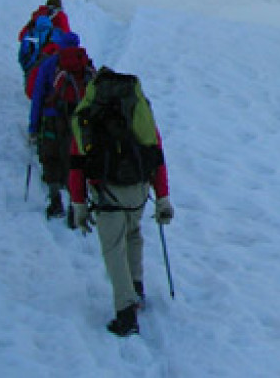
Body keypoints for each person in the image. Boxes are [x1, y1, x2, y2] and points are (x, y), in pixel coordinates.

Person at [68, 68, 174, 337]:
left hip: (106, 192)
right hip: (138, 190)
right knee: (133, 234)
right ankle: (136, 287)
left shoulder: (88, 113)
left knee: (113, 247)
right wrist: (162, 198)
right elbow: (156, 152)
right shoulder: (137, 109)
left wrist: (79, 204)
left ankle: (126, 313)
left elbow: (77, 164)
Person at [29, 33, 94, 220]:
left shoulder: (50, 64)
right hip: (77, 121)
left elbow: (38, 95)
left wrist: (33, 126)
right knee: (74, 162)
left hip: (52, 119)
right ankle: (76, 208)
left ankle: (55, 201)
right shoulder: (85, 63)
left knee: (50, 158)